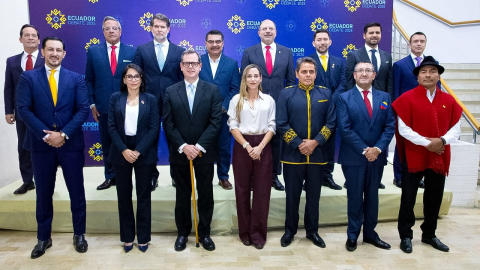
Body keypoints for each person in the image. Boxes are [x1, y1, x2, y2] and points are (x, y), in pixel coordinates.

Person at [16, 37, 89, 258]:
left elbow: (83, 109)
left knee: (76, 192)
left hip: (70, 144)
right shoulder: (28, 78)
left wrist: (63, 134)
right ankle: (43, 238)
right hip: (41, 145)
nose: (54, 53)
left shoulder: (76, 79)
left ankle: (79, 235)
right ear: (43, 51)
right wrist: (46, 135)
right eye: (50, 50)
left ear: (64, 54)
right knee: (43, 194)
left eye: (58, 50)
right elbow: (23, 109)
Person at [393, 56, 462, 254]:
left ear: (438, 75)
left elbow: (456, 128)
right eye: (424, 72)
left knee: (434, 197)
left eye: (432, 71)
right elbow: (404, 129)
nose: (428, 75)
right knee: (408, 197)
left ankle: (429, 234)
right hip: (414, 156)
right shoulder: (406, 98)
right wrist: (429, 143)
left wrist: (441, 141)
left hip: (439, 156)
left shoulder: (448, 100)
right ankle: (405, 236)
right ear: (417, 77)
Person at [163, 49, 222, 252]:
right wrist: (184, 146)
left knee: (205, 195)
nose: (190, 67)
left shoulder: (212, 90)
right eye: (186, 63)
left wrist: (197, 147)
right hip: (180, 153)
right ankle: (182, 233)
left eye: (194, 63)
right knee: (182, 195)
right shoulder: (171, 91)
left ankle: (204, 233)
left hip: (204, 153)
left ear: (200, 66)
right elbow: (168, 123)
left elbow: (215, 123)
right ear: (181, 66)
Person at [276, 57, 335, 248]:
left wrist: (315, 142)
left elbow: (331, 123)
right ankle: (289, 231)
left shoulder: (325, 93)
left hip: (317, 155)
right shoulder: (286, 94)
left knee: (313, 197)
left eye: (311, 72)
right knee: (292, 196)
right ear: (296, 73)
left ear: (316, 74)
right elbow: (281, 123)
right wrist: (299, 143)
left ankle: (312, 232)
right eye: (304, 72)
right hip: (293, 156)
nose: (308, 75)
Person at [336, 62, 395, 252]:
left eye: (367, 70)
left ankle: (370, 234)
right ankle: (352, 235)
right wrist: (365, 149)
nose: (364, 73)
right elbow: (344, 129)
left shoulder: (385, 97)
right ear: (354, 75)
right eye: (360, 70)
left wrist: (377, 149)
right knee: (354, 198)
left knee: (372, 198)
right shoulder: (344, 98)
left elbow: (389, 127)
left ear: (374, 75)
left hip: (376, 158)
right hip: (354, 158)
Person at [108, 64, 159, 253]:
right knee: (124, 196)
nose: (133, 80)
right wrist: (123, 149)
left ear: (141, 79)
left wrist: (138, 151)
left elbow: (154, 128)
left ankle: (144, 237)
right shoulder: (115, 98)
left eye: (137, 76)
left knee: (144, 196)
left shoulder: (150, 99)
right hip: (121, 151)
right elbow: (111, 127)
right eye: (129, 76)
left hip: (143, 152)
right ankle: (128, 237)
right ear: (124, 79)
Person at [241, 19, 296, 191]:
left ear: (276, 32)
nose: (267, 31)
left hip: (280, 105)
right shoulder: (249, 52)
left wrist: (288, 103)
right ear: (258, 32)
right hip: (254, 104)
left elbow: (291, 81)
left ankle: (273, 176)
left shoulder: (286, 52)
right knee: (254, 138)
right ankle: (252, 177)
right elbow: (243, 79)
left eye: (271, 29)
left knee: (277, 141)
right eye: (264, 29)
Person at [134, 13, 184, 190]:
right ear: (151, 29)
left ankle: (176, 176)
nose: (159, 29)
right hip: (149, 102)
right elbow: (136, 76)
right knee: (149, 140)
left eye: (163, 27)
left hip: (173, 102)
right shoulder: (142, 49)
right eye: (156, 26)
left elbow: (181, 78)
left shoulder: (179, 51)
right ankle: (151, 176)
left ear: (168, 29)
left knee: (175, 140)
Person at [227, 64, 275, 249]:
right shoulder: (236, 99)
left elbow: (272, 126)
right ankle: (245, 233)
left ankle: (258, 234)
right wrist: (247, 146)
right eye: (249, 76)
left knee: (262, 191)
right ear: (244, 79)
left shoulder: (269, 100)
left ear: (261, 78)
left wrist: (260, 147)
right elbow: (233, 125)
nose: (253, 79)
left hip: (264, 145)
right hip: (242, 146)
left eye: (256, 76)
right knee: (242, 190)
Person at [85, 16, 136, 191]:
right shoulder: (93, 51)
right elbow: (89, 79)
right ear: (103, 31)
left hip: (128, 106)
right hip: (104, 106)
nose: (111, 31)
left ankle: (127, 176)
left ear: (120, 31)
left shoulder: (131, 51)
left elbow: (137, 78)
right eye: (108, 28)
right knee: (107, 143)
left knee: (128, 142)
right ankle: (110, 176)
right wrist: (92, 104)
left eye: (115, 28)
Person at [4, 24, 44, 195]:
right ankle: (28, 181)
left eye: (34, 35)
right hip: (21, 112)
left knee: (44, 144)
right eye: (26, 35)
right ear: (20, 39)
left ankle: (44, 179)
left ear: (39, 39)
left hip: (43, 112)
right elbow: (9, 87)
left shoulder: (47, 59)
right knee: (23, 146)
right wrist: (8, 110)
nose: (30, 38)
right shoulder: (12, 61)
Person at [199, 30, 240, 190]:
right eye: (211, 41)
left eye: (218, 41)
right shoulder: (198, 61)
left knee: (223, 146)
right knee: (204, 145)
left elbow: (235, 89)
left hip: (223, 115)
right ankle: (205, 177)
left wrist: (223, 106)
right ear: (206, 43)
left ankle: (223, 176)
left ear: (223, 43)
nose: (215, 44)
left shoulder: (231, 64)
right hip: (202, 115)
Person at [308, 29, 346, 191]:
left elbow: (343, 84)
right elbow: (307, 83)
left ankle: (327, 176)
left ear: (330, 42)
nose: (322, 42)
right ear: (314, 43)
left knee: (329, 143)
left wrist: (330, 100)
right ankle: (310, 178)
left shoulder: (340, 62)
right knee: (313, 141)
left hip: (334, 109)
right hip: (313, 109)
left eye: (325, 39)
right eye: (319, 39)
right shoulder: (308, 62)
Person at [391, 32, 430, 189]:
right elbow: (395, 91)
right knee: (402, 143)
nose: (418, 44)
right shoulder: (400, 65)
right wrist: (398, 112)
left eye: (422, 41)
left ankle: (417, 175)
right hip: (405, 112)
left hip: (425, 112)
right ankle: (399, 176)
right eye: (415, 41)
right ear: (410, 45)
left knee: (421, 144)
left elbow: (437, 88)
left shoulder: (431, 65)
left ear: (425, 44)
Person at [345, 21, 393, 113]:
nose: (374, 35)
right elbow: (349, 81)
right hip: (359, 101)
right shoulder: (353, 55)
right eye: (371, 33)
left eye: (377, 33)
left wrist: (389, 101)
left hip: (381, 103)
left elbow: (389, 82)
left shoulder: (387, 56)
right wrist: (351, 101)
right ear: (364, 35)